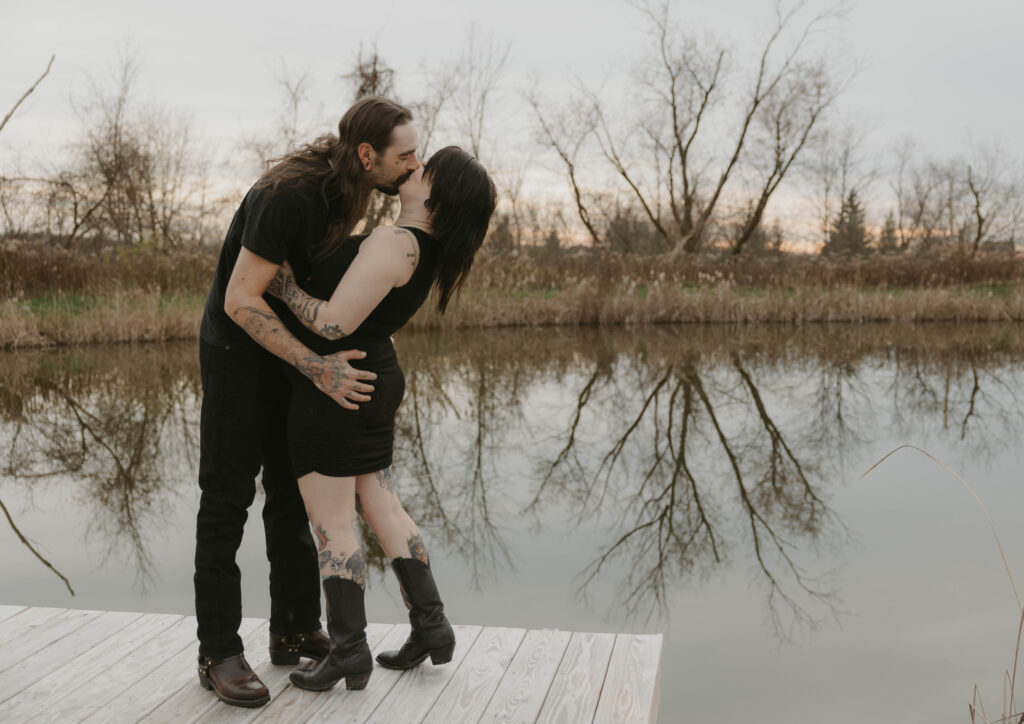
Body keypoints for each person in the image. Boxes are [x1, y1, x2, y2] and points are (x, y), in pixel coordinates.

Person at [194, 96, 421, 708]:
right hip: (238, 352)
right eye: (406, 155)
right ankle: (217, 651)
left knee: (293, 494)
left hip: (290, 351)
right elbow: (241, 299)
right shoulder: (290, 195)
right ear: (367, 154)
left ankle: (293, 629)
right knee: (227, 499)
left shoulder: (356, 191)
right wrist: (318, 368)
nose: (414, 165)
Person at [262, 146, 497, 691]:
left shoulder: (397, 242)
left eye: (425, 167)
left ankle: (348, 649)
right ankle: (432, 626)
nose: (414, 167)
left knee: (332, 524)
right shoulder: (426, 249)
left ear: (438, 196)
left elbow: (334, 324)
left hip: (339, 387)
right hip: (374, 380)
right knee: (382, 504)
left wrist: (284, 286)